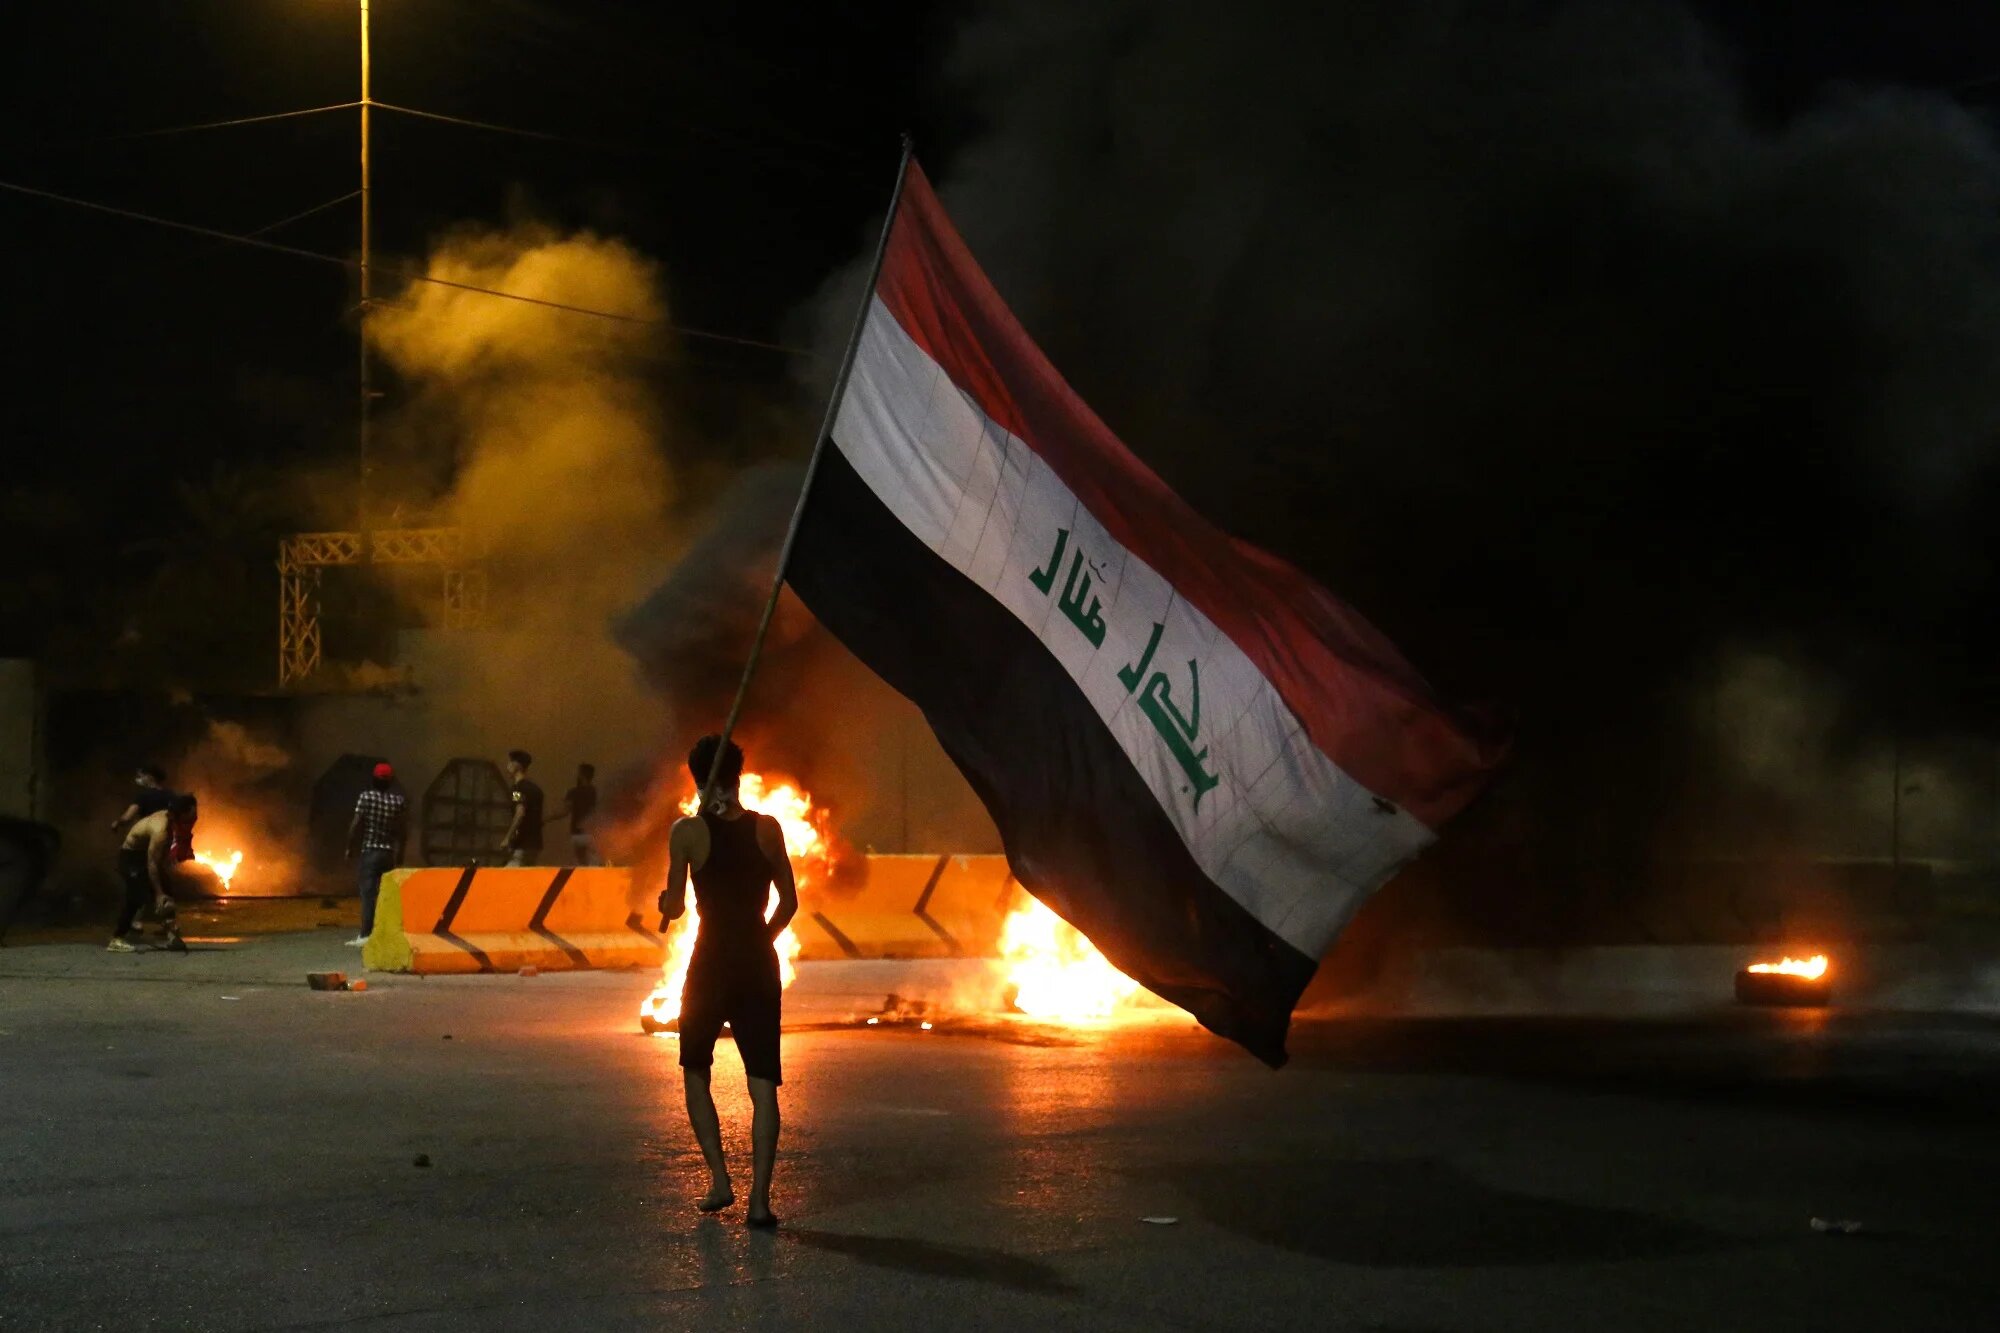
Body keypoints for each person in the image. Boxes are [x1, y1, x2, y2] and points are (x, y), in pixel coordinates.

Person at [657, 734, 798, 1229]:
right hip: (758, 963)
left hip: (710, 962)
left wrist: (665, 903)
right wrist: (763, 936)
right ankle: (760, 1202)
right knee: (763, 1084)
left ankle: (720, 1180)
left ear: (697, 779)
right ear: (738, 775)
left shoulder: (688, 831)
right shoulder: (768, 829)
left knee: (695, 1068)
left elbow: (675, 909)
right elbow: (789, 902)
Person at [107, 794, 192, 954]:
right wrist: (158, 893)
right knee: (136, 896)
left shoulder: (174, 822)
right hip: (131, 857)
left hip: (145, 855)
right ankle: (117, 939)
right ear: (180, 814)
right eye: (191, 815)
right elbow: (152, 863)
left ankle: (172, 937)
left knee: (167, 890)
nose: (194, 818)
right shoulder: (161, 829)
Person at [345, 762, 407, 948]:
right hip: (388, 854)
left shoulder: (366, 797)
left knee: (368, 894)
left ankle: (366, 935)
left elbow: (356, 825)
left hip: (370, 852)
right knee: (386, 896)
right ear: (390, 782)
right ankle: (385, 933)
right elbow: (402, 831)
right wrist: (400, 853)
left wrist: (349, 847)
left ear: (373, 779)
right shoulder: (397, 801)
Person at [552, 762, 601, 866]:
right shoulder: (595, 792)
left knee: (578, 867)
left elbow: (564, 811)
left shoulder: (573, 792)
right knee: (593, 866)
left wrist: (546, 818)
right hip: (592, 834)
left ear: (581, 775)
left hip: (577, 834)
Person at [501, 750, 544, 867]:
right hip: (535, 844)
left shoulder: (517, 789)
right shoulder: (536, 790)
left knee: (507, 877)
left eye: (510, 763)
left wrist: (507, 838)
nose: (507, 766)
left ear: (517, 766)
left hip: (522, 844)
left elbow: (520, 812)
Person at [111, 764, 172, 835]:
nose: (140, 779)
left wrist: (117, 822)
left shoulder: (143, 796)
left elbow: (127, 817)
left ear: (150, 777)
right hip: (168, 835)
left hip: (148, 835)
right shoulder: (171, 794)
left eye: (142, 776)